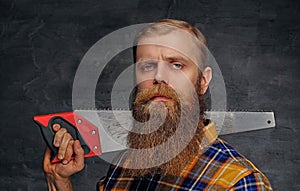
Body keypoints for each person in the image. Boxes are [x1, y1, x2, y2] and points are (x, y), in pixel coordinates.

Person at [43, 19, 272, 190]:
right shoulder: (126, 166)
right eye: (147, 66)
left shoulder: (240, 183)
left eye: (177, 65)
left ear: (203, 81)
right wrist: (59, 180)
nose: (159, 77)